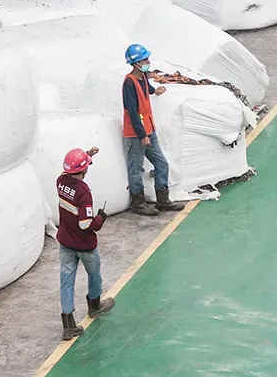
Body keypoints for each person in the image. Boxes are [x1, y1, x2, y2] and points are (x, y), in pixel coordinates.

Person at [56, 146, 114, 340]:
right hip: (84, 246)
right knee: (94, 275)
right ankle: (95, 305)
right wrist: (100, 218)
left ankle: (68, 325)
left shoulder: (60, 183)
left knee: (66, 283)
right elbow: (85, 224)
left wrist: (86, 156)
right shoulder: (83, 192)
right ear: (84, 170)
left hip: (65, 242)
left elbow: (70, 170)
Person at [122, 43, 177, 215]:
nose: (148, 61)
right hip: (136, 134)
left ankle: (163, 200)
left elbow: (146, 88)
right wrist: (142, 135)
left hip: (149, 130)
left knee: (162, 163)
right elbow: (132, 112)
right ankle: (138, 204)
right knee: (136, 168)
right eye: (145, 59)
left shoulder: (143, 76)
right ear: (136, 62)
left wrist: (155, 91)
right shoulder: (129, 83)